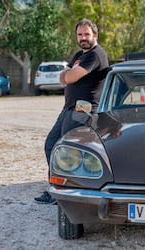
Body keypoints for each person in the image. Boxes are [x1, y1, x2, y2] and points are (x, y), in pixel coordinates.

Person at [34, 18, 109, 204]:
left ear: (95, 35)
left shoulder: (96, 55)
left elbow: (71, 76)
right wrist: (67, 75)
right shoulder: (79, 54)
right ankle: (56, 189)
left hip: (82, 111)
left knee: (68, 153)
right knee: (51, 144)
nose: (83, 38)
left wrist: (68, 74)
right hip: (68, 109)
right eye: (80, 34)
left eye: (86, 34)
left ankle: (64, 195)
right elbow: (64, 78)